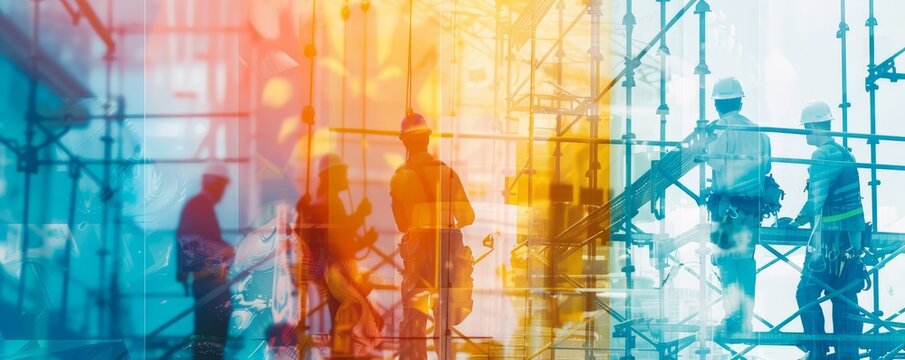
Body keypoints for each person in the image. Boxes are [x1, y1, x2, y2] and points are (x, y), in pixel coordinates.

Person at [390, 113, 475, 360]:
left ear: (404, 142)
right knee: (445, 320)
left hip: (419, 254)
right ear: (428, 137)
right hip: (448, 250)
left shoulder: (399, 178)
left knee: (415, 322)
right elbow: (468, 217)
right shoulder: (448, 174)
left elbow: (402, 223)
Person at [787, 101, 867, 359]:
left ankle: (817, 351)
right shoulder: (846, 154)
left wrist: (795, 222)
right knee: (843, 297)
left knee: (806, 292)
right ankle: (847, 354)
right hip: (850, 244)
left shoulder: (822, 156)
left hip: (828, 244)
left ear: (812, 126)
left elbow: (816, 199)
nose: (804, 135)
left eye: (805, 129)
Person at [294, 153, 382, 357]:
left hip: (330, 271)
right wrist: (360, 216)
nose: (346, 178)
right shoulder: (331, 202)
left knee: (342, 320)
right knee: (355, 318)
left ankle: (341, 353)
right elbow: (340, 238)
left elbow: (339, 237)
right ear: (332, 176)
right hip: (336, 273)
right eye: (342, 173)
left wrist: (362, 236)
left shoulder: (322, 202)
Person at [705, 77, 772, 335]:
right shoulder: (759, 132)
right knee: (746, 263)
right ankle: (746, 319)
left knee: (726, 262)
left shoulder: (721, 128)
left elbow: (713, 161)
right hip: (751, 211)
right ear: (741, 102)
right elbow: (766, 169)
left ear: (717, 105)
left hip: (727, 210)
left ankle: (732, 317)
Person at [176, 161, 236, 360]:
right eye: (222, 185)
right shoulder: (199, 206)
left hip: (207, 284)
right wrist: (226, 252)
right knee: (210, 342)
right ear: (215, 183)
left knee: (207, 341)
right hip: (208, 285)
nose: (223, 192)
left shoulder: (200, 206)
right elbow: (193, 245)